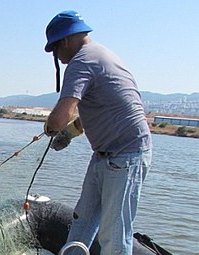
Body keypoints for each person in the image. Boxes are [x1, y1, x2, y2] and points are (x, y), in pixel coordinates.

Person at [42, 10, 153, 255]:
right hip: (105, 156)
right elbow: (103, 109)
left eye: (56, 50)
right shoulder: (101, 54)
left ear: (67, 40)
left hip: (126, 156)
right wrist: (71, 132)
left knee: (114, 236)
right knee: (82, 222)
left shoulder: (82, 61)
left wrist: (52, 128)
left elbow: (59, 117)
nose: (58, 57)